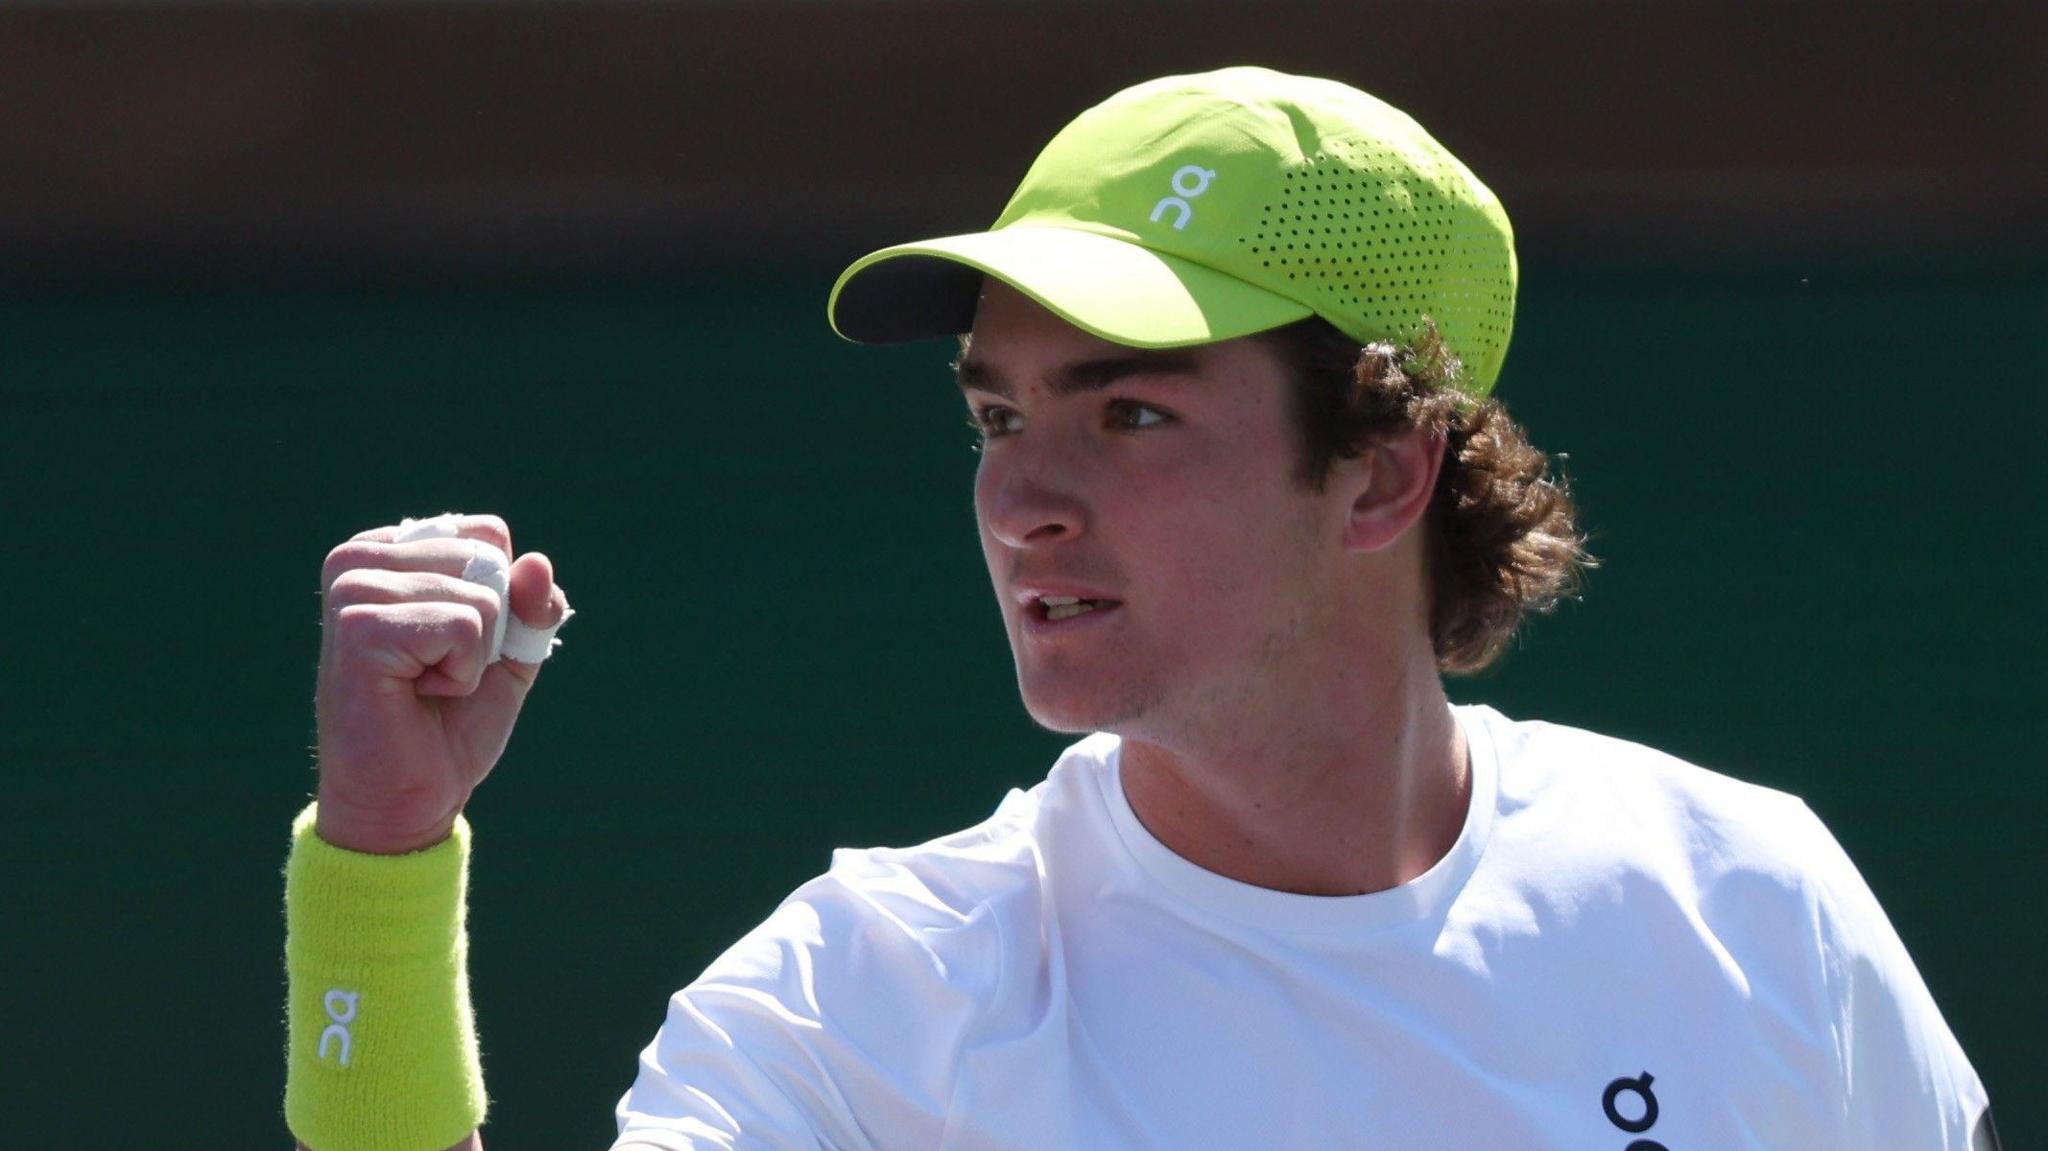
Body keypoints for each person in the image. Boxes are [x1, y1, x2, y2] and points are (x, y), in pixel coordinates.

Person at [285, 67, 1997, 1151]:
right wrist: (375, 863)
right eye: (999, 415)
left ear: (1387, 474)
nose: (1024, 497)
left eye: (1133, 414)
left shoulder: (1750, 901)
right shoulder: (869, 1002)